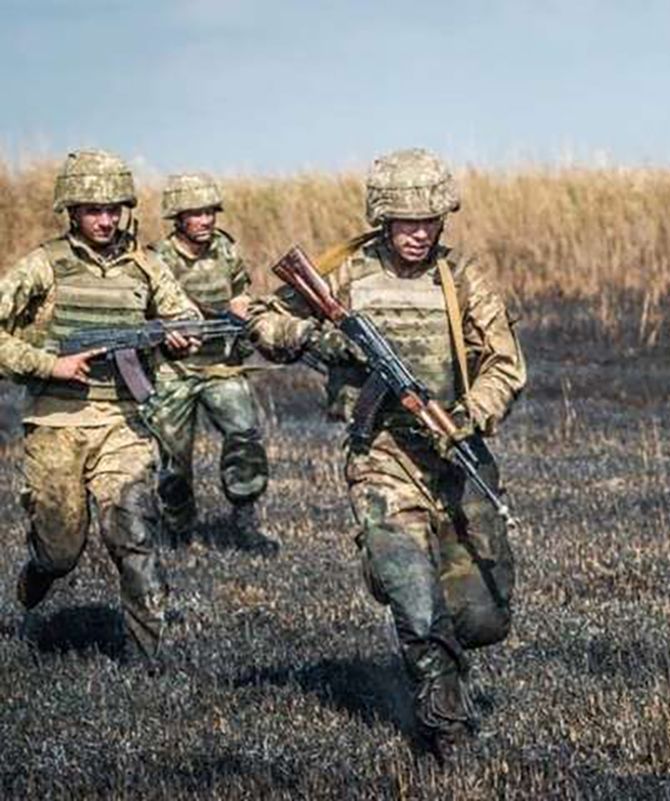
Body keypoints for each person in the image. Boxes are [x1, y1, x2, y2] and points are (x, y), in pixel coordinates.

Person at [248, 148, 525, 751]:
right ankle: (447, 727)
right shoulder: (346, 272)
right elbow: (263, 320)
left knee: (483, 616)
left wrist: (466, 416)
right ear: (383, 218)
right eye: (407, 222)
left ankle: (443, 653)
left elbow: (505, 365)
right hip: (380, 456)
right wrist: (314, 337)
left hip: (455, 455)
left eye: (429, 221)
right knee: (414, 596)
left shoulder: (461, 278)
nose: (419, 233)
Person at [0, 149, 200, 665]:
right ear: (71, 211)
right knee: (61, 550)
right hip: (56, 424)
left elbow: (184, 316)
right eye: (94, 210)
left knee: (135, 534)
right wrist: (50, 365)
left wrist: (181, 337)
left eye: (114, 210)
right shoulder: (44, 264)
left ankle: (146, 662)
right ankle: (40, 571)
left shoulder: (146, 265)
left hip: (123, 424)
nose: (106, 221)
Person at [149, 173, 271, 548]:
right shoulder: (157, 259)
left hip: (221, 365)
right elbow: (144, 312)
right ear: (178, 217)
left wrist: (242, 304)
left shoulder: (225, 250)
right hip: (174, 370)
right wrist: (165, 330)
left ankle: (244, 514)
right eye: (196, 214)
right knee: (172, 458)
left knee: (245, 433)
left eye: (210, 212)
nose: (205, 220)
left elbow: (241, 290)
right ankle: (178, 528)